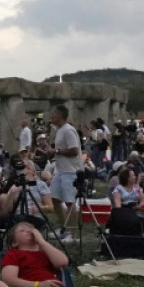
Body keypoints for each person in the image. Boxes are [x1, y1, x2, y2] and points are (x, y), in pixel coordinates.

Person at [47, 105, 84, 245]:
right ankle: (64, 228)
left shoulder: (68, 130)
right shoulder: (59, 130)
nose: (51, 116)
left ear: (61, 115)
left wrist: (56, 152)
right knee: (55, 199)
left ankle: (73, 234)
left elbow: (74, 151)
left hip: (71, 171)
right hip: (60, 170)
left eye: (53, 114)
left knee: (69, 202)